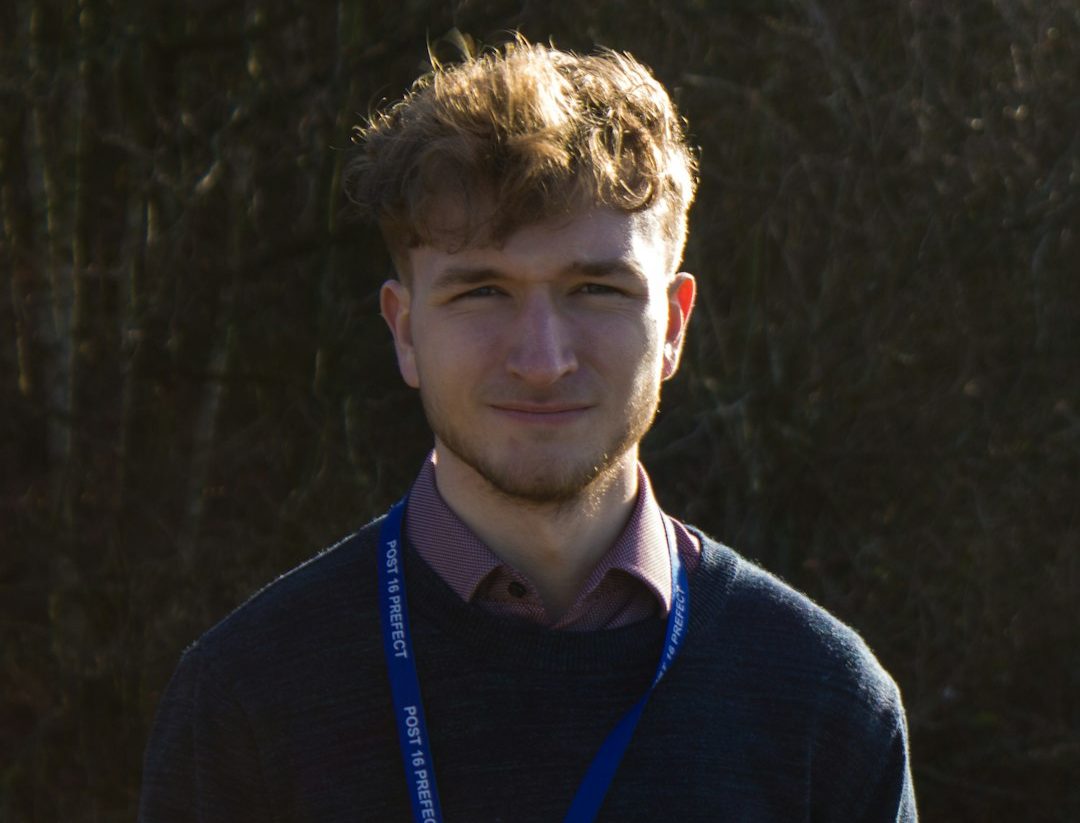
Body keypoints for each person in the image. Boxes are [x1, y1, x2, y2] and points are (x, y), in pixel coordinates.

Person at [139, 39, 917, 822]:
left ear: (674, 325)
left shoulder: (824, 703)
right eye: (482, 291)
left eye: (595, 288)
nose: (543, 359)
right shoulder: (247, 697)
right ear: (405, 331)